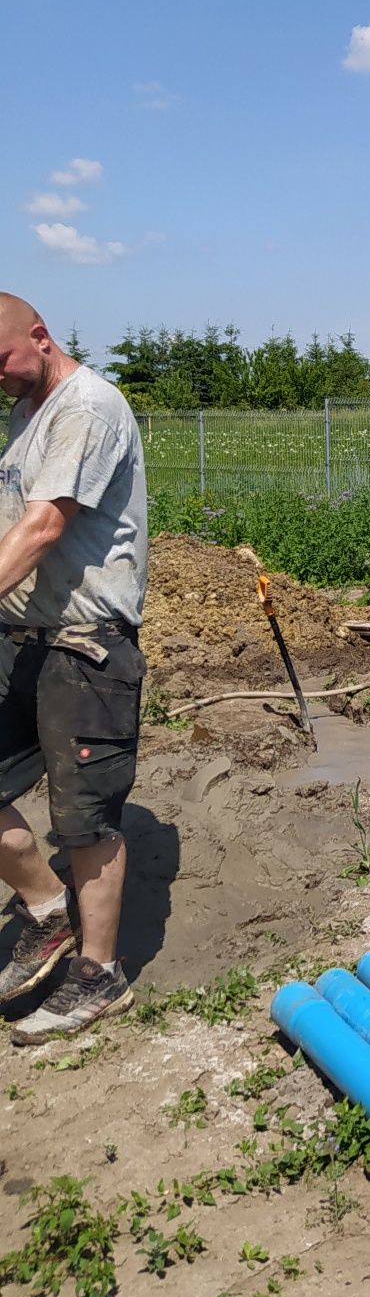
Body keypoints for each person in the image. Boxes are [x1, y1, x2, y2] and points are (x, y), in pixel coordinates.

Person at [0, 294, 148, 1042]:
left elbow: (45, 524)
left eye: (2, 360)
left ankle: (99, 975)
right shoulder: (28, 412)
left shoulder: (84, 408)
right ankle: (46, 908)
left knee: (84, 819)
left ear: (40, 336)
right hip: (23, 632)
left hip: (84, 642)